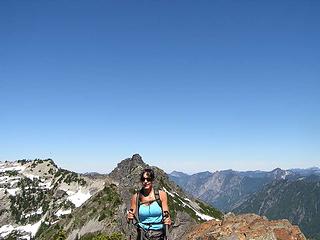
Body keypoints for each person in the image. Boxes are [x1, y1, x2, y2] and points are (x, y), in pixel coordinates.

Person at [127, 168, 172, 240]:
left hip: (159, 234)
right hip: (142, 234)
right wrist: (129, 216)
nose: (145, 181)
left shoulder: (162, 195)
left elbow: (166, 214)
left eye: (148, 179)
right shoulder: (136, 197)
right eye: (143, 179)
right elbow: (130, 216)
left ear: (152, 180)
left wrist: (168, 219)